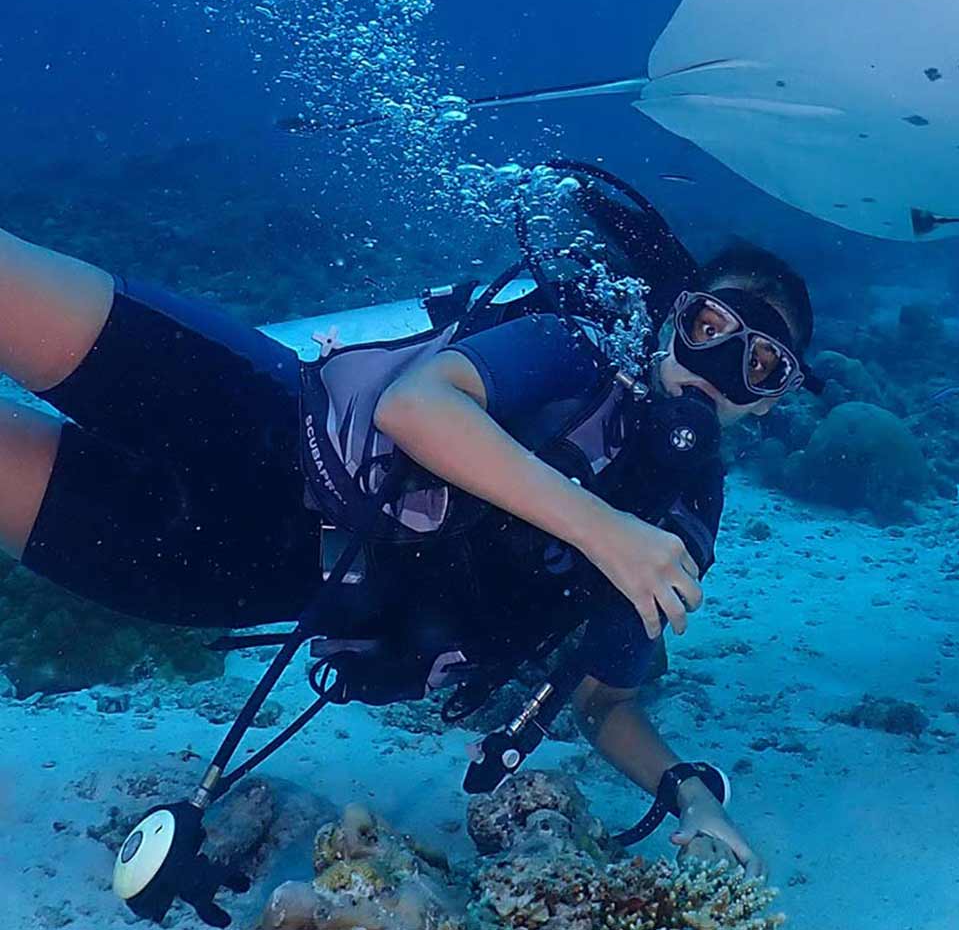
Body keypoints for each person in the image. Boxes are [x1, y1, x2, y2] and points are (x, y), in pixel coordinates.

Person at [0, 182, 814, 891]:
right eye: (712, 325)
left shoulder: (681, 524)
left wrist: (691, 794)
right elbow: (416, 405)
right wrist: (605, 530)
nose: (723, 368)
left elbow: (605, 704)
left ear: (771, 404)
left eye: (763, 366)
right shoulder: (580, 347)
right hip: (247, 416)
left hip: (209, 573)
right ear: (674, 317)